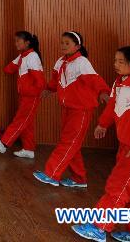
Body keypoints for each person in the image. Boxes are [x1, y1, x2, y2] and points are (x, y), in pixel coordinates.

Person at [71, 46, 130, 242]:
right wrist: (102, 124)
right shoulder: (120, 83)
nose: (116, 65)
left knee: (118, 186)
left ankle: (99, 227)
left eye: (121, 61)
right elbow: (112, 106)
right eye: (115, 60)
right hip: (125, 146)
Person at [33, 31, 109, 189]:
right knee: (72, 143)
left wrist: (103, 92)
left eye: (67, 43)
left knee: (68, 142)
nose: (63, 45)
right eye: (62, 42)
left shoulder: (82, 62)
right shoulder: (60, 61)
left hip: (81, 110)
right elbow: (56, 81)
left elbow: (95, 79)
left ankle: (51, 174)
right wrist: (48, 89)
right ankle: (79, 178)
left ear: (78, 46)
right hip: (67, 108)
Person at [0, 30, 45, 159]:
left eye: (18, 40)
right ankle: (29, 150)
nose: (16, 43)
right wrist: (18, 61)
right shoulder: (24, 56)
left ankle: (3, 144)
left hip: (31, 97)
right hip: (25, 96)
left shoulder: (32, 56)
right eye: (15, 40)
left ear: (27, 42)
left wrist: (35, 93)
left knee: (19, 121)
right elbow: (8, 69)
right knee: (27, 124)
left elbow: (40, 81)